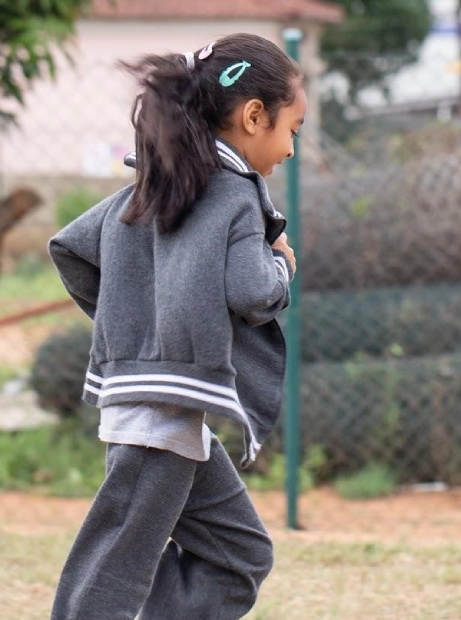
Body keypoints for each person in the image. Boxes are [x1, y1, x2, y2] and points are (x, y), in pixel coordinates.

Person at [46, 32, 305, 620]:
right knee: (110, 575)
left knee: (238, 554)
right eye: (293, 130)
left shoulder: (153, 182)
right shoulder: (237, 194)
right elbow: (252, 292)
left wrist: (132, 332)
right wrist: (280, 263)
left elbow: (72, 250)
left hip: (160, 409)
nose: (291, 149)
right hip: (158, 419)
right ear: (254, 116)